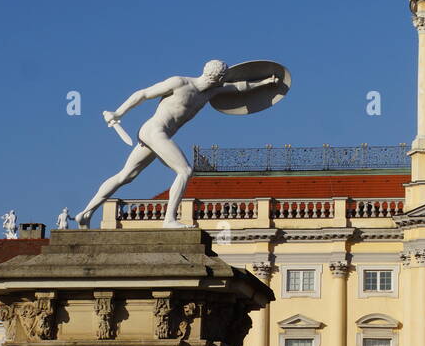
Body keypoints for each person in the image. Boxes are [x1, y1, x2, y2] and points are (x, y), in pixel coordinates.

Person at [74, 61, 279, 229]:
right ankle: (169, 219)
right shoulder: (179, 82)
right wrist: (118, 113)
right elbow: (143, 94)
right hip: (154, 131)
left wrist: (266, 82)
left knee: (126, 176)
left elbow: (239, 88)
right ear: (216, 76)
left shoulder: (211, 92)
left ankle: (85, 213)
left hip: (158, 135)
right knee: (185, 170)